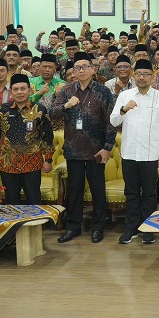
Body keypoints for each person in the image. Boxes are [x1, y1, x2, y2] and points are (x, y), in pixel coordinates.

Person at [50, 52, 116, 244]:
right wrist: (66, 106)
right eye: (77, 68)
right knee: (75, 190)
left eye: (85, 67)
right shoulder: (66, 91)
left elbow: (110, 122)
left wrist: (107, 147)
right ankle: (73, 227)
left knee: (97, 190)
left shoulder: (103, 92)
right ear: (73, 72)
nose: (81, 70)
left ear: (93, 70)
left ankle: (98, 227)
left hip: (96, 150)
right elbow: (52, 113)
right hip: (73, 149)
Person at [110, 59, 159, 245]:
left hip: (151, 154)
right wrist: (123, 109)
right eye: (139, 74)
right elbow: (113, 122)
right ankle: (131, 228)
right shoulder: (125, 95)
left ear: (153, 76)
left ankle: (148, 228)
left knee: (150, 193)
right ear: (133, 75)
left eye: (146, 74)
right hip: (129, 152)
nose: (142, 78)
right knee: (131, 192)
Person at [0, 74, 54, 205]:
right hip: (8, 164)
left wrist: (48, 159)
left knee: (34, 199)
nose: (20, 92)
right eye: (16, 89)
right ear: (11, 92)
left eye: (23, 89)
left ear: (30, 90)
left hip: (32, 163)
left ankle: (34, 226)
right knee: (11, 201)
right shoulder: (2, 109)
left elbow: (47, 135)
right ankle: (15, 226)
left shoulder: (40, 109)